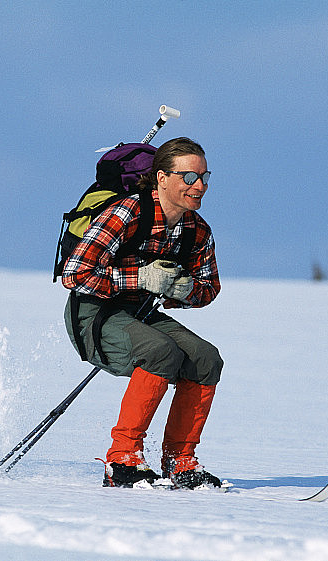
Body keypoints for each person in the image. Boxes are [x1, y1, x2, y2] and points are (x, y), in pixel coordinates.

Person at [61, 137, 223, 489]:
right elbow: (75, 275)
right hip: (93, 314)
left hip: (140, 313)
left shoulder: (197, 231)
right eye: (188, 177)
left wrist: (183, 290)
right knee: (159, 351)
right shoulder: (127, 213)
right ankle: (122, 459)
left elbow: (209, 287)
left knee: (206, 358)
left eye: (204, 177)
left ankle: (180, 461)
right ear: (162, 177)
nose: (199, 187)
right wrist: (142, 278)